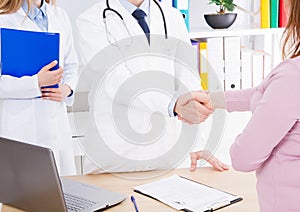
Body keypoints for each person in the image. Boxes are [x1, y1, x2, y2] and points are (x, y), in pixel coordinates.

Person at [76, 0, 228, 173]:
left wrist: (197, 143)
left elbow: (188, 77)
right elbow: (116, 80)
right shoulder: (92, 20)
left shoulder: (172, 16)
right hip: (115, 156)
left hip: (168, 153)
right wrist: (173, 105)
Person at [178, 0, 300, 210]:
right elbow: (266, 93)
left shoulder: (291, 76)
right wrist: (214, 99)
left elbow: (243, 158)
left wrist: (224, 149)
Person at [0, 0, 78, 176]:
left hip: (56, 119)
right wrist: (36, 82)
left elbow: (72, 65)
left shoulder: (60, 16)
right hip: (19, 125)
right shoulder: (3, 18)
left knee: (62, 190)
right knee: (23, 194)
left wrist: (67, 88)